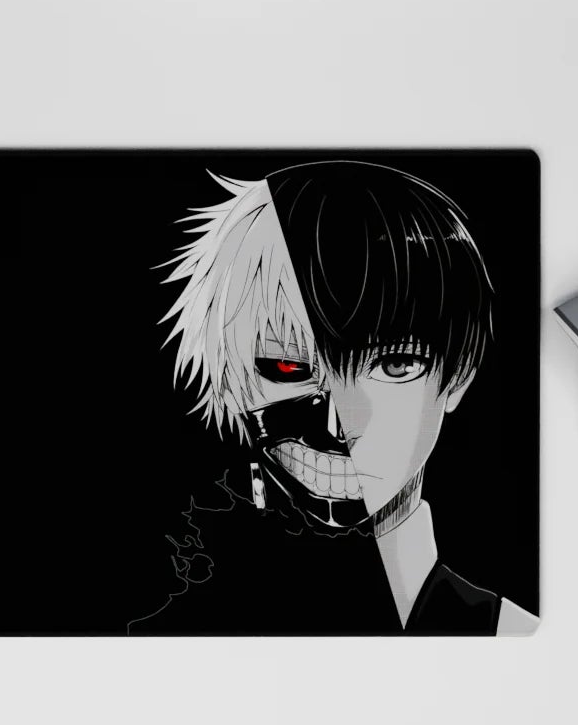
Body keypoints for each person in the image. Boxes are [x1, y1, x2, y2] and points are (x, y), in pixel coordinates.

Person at [129, 161, 537, 636]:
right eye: (288, 367)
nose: (337, 425)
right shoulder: (160, 634)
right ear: (228, 373)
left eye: (395, 365)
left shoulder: (513, 639)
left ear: (459, 375)